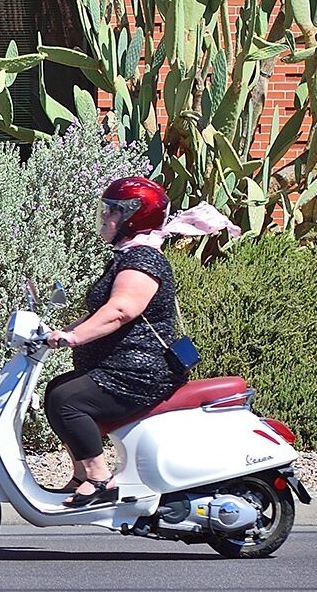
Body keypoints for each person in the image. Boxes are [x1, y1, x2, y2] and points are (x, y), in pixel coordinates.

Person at [39, 176, 228, 507]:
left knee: (68, 400)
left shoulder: (143, 258)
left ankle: (101, 481)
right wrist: (58, 331)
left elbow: (121, 310)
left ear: (133, 217)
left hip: (141, 371)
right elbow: (102, 310)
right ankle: (83, 474)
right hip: (123, 367)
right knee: (57, 390)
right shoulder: (128, 255)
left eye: (112, 212)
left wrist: (73, 337)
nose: (106, 218)